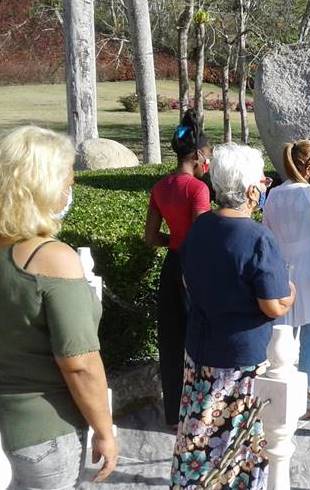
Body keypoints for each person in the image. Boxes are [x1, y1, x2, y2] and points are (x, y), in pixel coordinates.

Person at [0, 126, 118, 488]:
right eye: (67, 181)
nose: (71, 189)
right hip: (46, 431)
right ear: (45, 186)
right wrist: (104, 429)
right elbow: (79, 363)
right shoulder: (51, 257)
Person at [172, 143, 295, 488]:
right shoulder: (258, 238)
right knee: (236, 447)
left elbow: (187, 279)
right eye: (264, 182)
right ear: (252, 189)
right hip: (241, 358)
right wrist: (292, 295)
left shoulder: (200, 227)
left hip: (199, 351)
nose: (264, 188)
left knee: (197, 434)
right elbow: (273, 304)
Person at [144, 109, 212, 428]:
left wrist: (174, 238)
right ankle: (196, 413)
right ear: (198, 155)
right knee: (196, 339)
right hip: (193, 267)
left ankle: (173, 414)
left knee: (170, 340)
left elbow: (150, 236)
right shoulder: (198, 189)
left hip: (171, 264)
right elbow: (201, 235)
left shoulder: (160, 187)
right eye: (208, 155)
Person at [263, 139, 310, 419]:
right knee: (308, 340)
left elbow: (267, 233)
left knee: (282, 336)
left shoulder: (273, 195)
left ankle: (279, 393)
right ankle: (305, 398)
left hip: (282, 270)